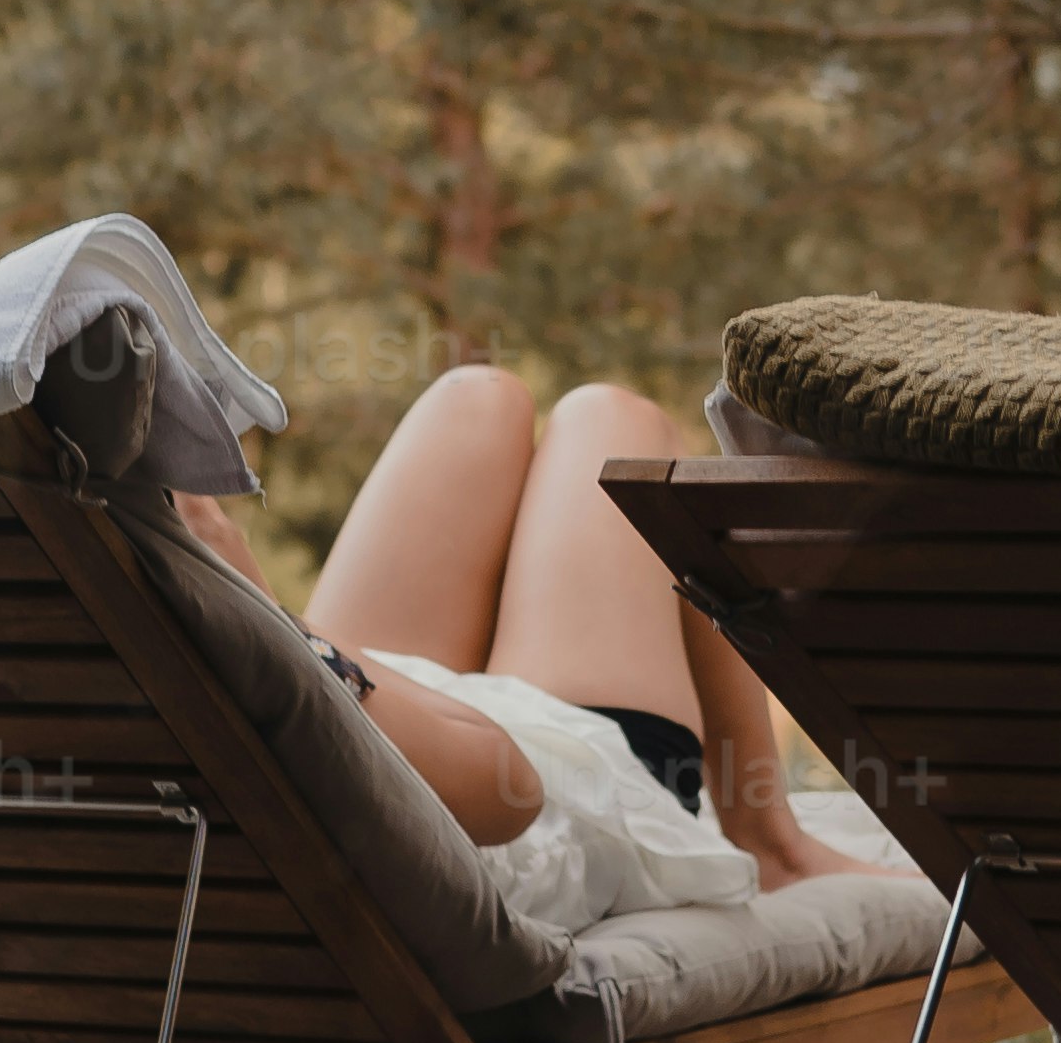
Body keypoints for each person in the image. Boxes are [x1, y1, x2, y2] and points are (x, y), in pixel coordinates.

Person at [176, 363, 870, 962]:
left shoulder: (94, 559)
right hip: (541, 789)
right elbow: (507, 791)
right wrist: (271, 622)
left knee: (477, 395)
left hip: (364, 706)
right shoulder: (196, 591)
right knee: (614, 419)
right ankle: (772, 844)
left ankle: (772, 838)